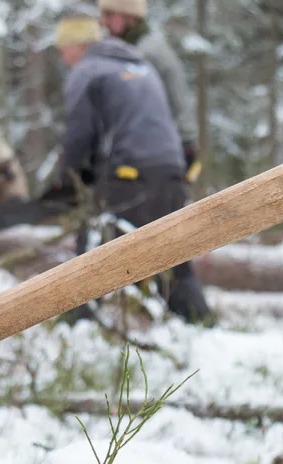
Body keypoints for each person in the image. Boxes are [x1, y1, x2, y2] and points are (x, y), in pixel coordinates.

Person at [51, 14, 215, 326]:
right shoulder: (138, 65)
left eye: (64, 47)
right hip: (170, 170)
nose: (61, 55)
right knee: (172, 255)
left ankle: (76, 328)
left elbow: (78, 135)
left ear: (79, 45)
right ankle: (201, 324)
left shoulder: (87, 71)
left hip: (129, 173)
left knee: (93, 251)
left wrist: (66, 182)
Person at [98, 0, 200, 183]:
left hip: (159, 156)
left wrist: (187, 145)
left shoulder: (147, 53)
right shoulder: (129, 51)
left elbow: (176, 100)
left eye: (109, 16)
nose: (103, 23)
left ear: (130, 17)